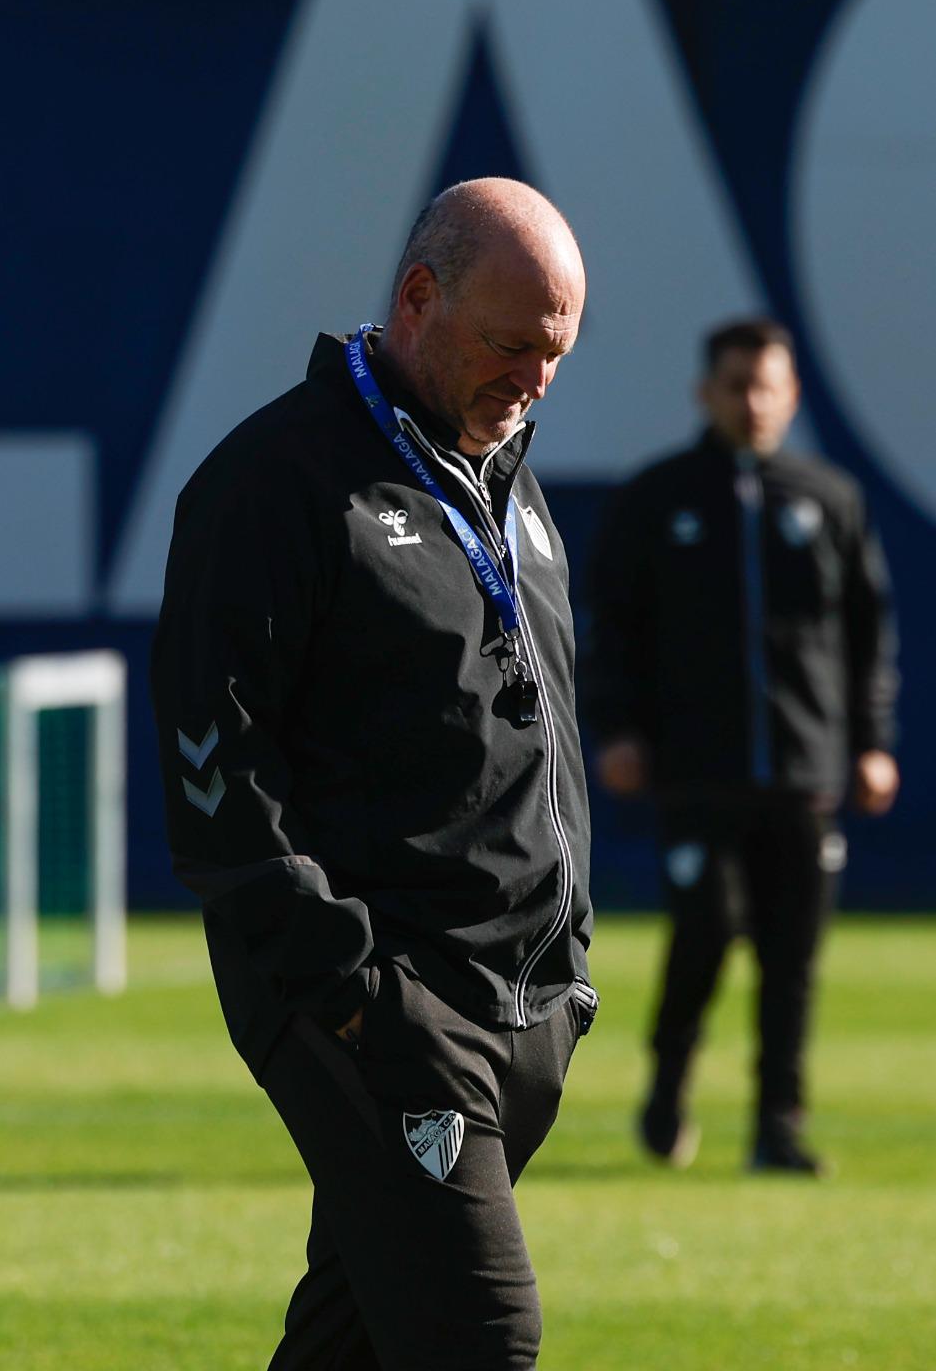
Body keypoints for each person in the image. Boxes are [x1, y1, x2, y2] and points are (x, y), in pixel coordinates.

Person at [151, 178, 598, 1370]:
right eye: (512, 346)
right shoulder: (275, 481)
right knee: (478, 1336)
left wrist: (570, 962)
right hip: (387, 1005)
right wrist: (346, 984)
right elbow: (212, 766)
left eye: (556, 353)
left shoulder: (506, 479)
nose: (535, 382)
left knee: (352, 1342)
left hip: (524, 1002)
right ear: (417, 297)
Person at [582, 317, 899, 1175]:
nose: (753, 402)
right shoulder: (659, 497)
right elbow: (611, 625)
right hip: (697, 768)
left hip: (802, 769)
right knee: (705, 932)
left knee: (792, 956)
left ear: (792, 393)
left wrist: (870, 741)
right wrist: (616, 729)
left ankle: (777, 1124)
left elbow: (867, 635)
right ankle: (668, 1087)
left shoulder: (827, 498)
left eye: (768, 386)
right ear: (705, 392)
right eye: (736, 385)